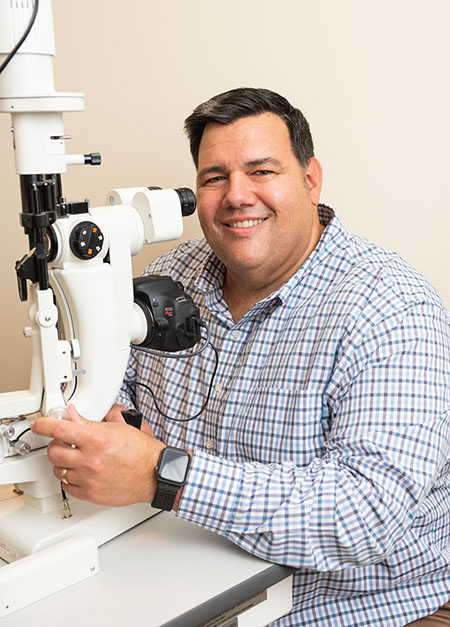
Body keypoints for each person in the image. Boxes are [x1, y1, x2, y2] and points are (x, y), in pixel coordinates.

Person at [32, 88, 450, 626]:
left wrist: (162, 476)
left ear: (310, 178)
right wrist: (107, 422)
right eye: (214, 178)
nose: (237, 196)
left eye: (261, 171)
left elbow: (365, 516)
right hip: (192, 576)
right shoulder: (178, 273)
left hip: (350, 610)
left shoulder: (391, 309)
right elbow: (119, 388)